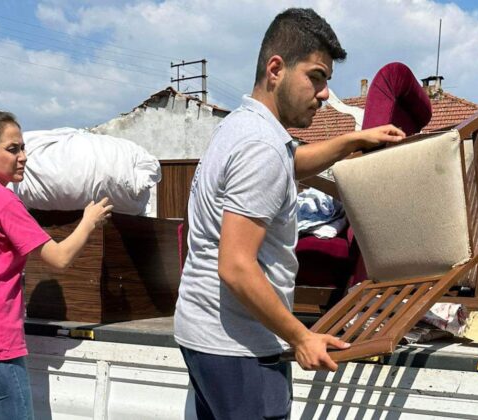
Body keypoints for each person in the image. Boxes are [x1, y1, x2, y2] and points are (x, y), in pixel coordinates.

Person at [174, 8, 406, 419]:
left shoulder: (242, 127)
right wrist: (301, 337)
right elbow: (236, 266)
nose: (323, 94)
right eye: (316, 77)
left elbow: (290, 164)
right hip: (240, 349)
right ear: (276, 69)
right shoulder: (261, 148)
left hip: (207, 335)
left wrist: (352, 140)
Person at [0, 110, 113, 419]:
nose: (23, 157)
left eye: (23, 147)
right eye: (13, 149)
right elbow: (59, 258)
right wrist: (88, 222)